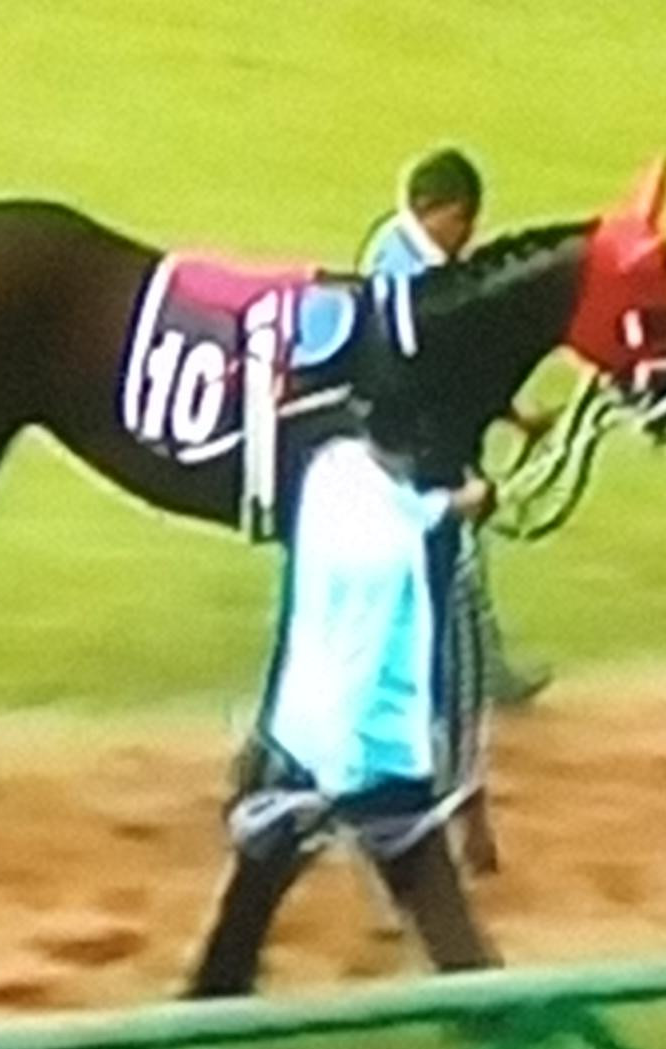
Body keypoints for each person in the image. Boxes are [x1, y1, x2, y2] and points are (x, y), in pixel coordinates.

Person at [185, 423, 501, 998]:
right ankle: (492, 1003)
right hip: (362, 751)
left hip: (301, 732)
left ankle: (214, 989)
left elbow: (405, 512)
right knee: (420, 870)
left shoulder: (334, 473)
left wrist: (453, 507)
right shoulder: (385, 556)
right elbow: (366, 650)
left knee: (264, 863)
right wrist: (339, 779)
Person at [359, 146, 554, 877]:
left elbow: (462, 359)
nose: (467, 236)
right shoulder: (403, 273)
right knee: (440, 617)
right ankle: (457, 817)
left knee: (455, 591)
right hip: (413, 461)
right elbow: (433, 367)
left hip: (422, 457)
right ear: (438, 211)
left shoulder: (409, 256)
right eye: (463, 222)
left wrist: (511, 413)